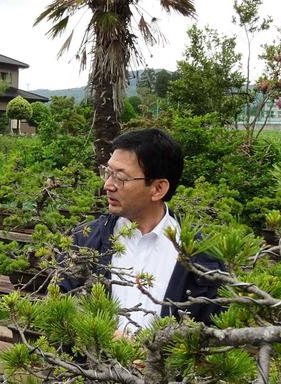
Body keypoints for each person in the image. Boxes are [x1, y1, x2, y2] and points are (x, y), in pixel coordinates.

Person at [57, 128, 224, 332]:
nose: (108, 185)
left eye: (121, 177)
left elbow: (213, 334)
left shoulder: (201, 256)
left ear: (158, 189)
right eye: (108, 172)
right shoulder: (85, 241)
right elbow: (59, 311)